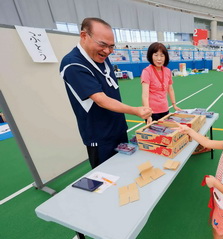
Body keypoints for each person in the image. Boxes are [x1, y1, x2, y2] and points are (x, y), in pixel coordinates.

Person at [60, 17, 152, 169]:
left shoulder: (101, 56)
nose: (107, 51)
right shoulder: (73, 64)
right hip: (100, 136)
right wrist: (135, 110)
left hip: (118, 128)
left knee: (125, 168)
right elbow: (101, 99)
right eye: (102, 44)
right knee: (106, 177)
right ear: (84, 36)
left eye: (111, 46)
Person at [141, 42, 181, 124]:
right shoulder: (147, 72)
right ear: (151, 56)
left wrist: (174, 104)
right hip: (152, 112)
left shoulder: (168, 71)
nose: (159, 59)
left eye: (162, 55)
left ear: (165, 57)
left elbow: (170, 90)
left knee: (166, 134)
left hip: (165, 109)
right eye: (156, 55)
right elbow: (145, 95)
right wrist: (147, 114)